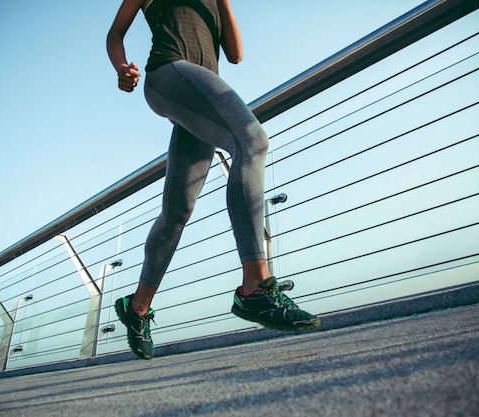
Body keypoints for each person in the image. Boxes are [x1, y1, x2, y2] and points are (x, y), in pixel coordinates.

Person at [107, 0, 320, 360]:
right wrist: (121, 69)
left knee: (177, 211)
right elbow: (116, 34)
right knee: (252, 141)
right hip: (168, 74)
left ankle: (137, 307)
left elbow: (235, 54)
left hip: (200, 93)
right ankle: (255, 285)